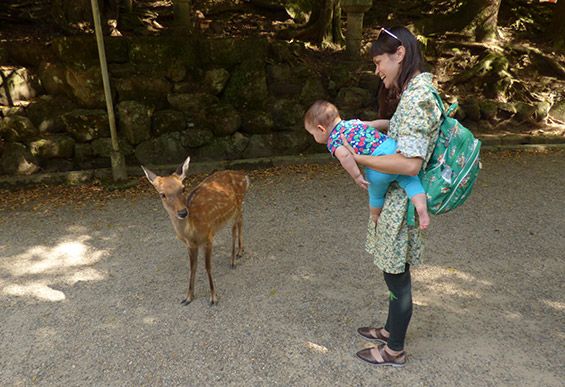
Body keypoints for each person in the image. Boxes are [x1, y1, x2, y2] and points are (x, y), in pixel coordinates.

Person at [341, 26, 443, 367]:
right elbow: (404, 133)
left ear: (399, 54)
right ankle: (389, 330)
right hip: (398, 200)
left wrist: (359, 159)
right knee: (392, 271)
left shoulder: (417, 97)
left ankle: (394, 349)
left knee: (397, 277)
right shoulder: (416, 90)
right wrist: (377, 124)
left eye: (379, 62)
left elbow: (410, 163)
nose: (377, 70)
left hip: (402, 204)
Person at [303, 100, 430, 230]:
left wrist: (357, 176)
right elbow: (375, 124)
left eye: (313, 134)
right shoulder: (353, 123)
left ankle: (375, 217)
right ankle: (421, 209)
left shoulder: (334, 141)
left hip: (378, 165)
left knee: (376, 194)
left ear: (321, 129)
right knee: (410, 180)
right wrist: (390, 124)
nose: (314, 137)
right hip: (394, 152)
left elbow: (345, 156)